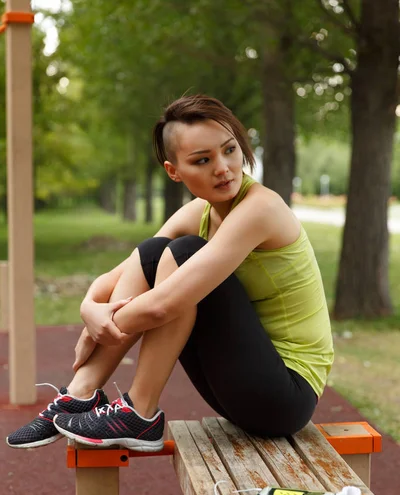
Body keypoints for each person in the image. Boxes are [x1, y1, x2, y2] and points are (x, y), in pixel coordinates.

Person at [6, 94, 334, 451]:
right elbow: (122, 273)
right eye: (202, 160)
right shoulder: (201, 212)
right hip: (236, 389)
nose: (223, 167)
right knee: (153, 252)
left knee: (184, 253)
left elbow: (161, 307)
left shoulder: (261, 209)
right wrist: (89, 309)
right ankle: (81, 392)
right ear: (174, 170)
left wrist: (104, 323)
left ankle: (139, 411)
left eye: (229, 150)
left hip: (283, 396)